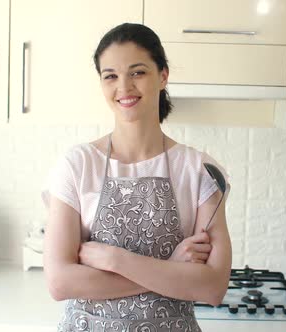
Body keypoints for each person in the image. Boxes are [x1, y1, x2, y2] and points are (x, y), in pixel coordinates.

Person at [42, 23, 232, 332]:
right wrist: (171, 271)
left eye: (137, 72)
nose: (124, 87)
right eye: (111, 76)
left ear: (163, 76)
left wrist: (114, 260)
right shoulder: (77, 165)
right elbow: (60, 282)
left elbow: (211, 287)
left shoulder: (200, 171)